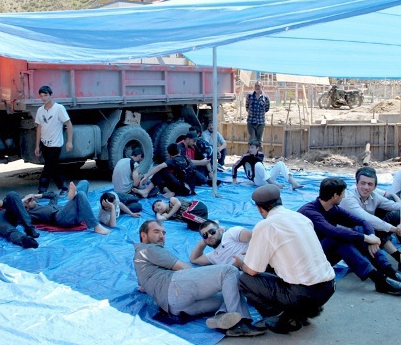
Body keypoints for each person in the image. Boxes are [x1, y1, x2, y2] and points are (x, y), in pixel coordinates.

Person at [134, 220, 264, 337]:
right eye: (156, 232)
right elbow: (185, 268)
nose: (162, 236)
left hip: (175, 307)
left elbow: (142, 287)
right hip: (176, 288)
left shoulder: (140, 258)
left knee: (231, 292)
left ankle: (222, 315)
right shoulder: (150, 249)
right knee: (230, 271)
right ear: (143, 235)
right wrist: (207, 280)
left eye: (163, 232)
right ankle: (240, 323)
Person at [238, 185, 336, 334]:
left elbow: (251, 270)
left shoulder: (265, 226)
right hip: (328, 288)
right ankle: (302, 312)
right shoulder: (301, 217)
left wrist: (242, 264)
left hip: (303, 294)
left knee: (244, 280)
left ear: (259, 208)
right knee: (275, 269)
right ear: (280, 200)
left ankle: (282, 318)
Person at [298, 177, 401, 295]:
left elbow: (362, 221)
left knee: (358, 229)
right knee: (338, 238)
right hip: (306, 259)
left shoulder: (332, 208)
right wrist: (366, 238)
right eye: (343, 193)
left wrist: (372, 236)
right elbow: (332, 231)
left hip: (322, 253)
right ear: (335, 196)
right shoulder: (310, 211)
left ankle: (389, 272)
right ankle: (380, 281)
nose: (344, 196)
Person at [339, 167, 401, 270]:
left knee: (393, 214)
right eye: (362, 183)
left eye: (370, 184)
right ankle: (388, 271)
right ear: (356, 184)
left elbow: (397, 205)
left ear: (375, 186)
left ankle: (396, 262)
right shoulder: (348, 198)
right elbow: (367, 218)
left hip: (367, 231)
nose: (366, 187)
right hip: (348, 235)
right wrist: (396, 229)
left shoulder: (375, 196)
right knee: (371, 226)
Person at [22, 180, 110, 235]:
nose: (30, 200)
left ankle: (73, 195)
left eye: (29, 199)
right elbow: (16, 211)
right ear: (25, 208)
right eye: (28, 201)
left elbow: (54, 196)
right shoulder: (31, 214)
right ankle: (95, 226)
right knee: (81, 194)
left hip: (71, 214)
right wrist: (23, 201)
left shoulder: (47, 206)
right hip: (61, 218)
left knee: (84, 183)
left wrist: (36, 195)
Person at [35, 85, 73, 196]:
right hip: (44, 142)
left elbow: (68, 124)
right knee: (53, 165)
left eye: (46, 95)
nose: (44, 98)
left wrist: (69, 141)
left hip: (55, 143)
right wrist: (37, 145)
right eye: (41, 96)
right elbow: (39, 127)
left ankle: (42, 188)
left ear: (51, 95)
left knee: (48, 166)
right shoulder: (40, 110)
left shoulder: (59, 108)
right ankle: (63, 187)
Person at [232, 140, 302, 190]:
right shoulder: (245, 157)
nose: (250, 149)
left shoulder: (261, 155)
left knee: (280, 163)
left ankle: (293, 182)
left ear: (257, 148)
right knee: (258, 165)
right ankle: (274, 184)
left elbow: (260, 167)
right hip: (257, 181)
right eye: (249, 147)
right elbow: (234, 166)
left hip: (265, 179)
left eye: (252, 147)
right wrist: (234, 179)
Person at [132, 143, 196, 198]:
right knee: (164, 177)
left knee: (162, 170)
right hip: (191, 189)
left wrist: (146, 176)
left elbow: (159, 167)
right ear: (179, 151)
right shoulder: (185, 158)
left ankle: (146, 191)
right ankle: (170, 192)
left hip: (184, 190)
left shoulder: (173, 161)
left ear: (169, 154)